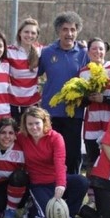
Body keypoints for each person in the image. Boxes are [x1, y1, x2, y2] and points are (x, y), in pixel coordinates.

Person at [17, 106, 88, 218]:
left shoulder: (55, 137)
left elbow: (60, 162)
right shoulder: (21, 137)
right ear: (25, 125)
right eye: (30, 124)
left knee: (82, 181)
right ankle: (31, 211)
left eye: (37, 123)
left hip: (56, 181)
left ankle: (69, 214)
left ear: (44, 122)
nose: (34, 127)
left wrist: (60, 184)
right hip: (38, 184)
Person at [38, 11, 89, 174]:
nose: (69, 33)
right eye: (65, 29)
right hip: (50, 112)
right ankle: (48, 191)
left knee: (72, 156)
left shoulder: (84, 53)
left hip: (74, 113)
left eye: (73, 30)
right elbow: (31, 73)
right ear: (58, 31)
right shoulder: (46, 52)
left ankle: (71, 193)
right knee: (49, 154)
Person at [0, 18, 43, 126]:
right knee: (13, 136)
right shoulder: (10, 51)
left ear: (36, 36)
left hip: (32, 103)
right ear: (20, 33)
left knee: (30, 136)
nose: (29, 35)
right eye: (26, 32)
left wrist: (81, 44)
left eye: (33, 33)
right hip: (12, 103)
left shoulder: (41, 50)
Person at [80, 37, 110, 206]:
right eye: (94, 49)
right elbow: (80, 100)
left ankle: (107, 199)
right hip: (92, 123)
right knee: (91, 161)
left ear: (106, 51)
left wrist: (105, 98)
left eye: (101, 49)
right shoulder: (83, 71)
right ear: (88, 52)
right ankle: (91, 199)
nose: (98, 52)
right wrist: (88, 98)